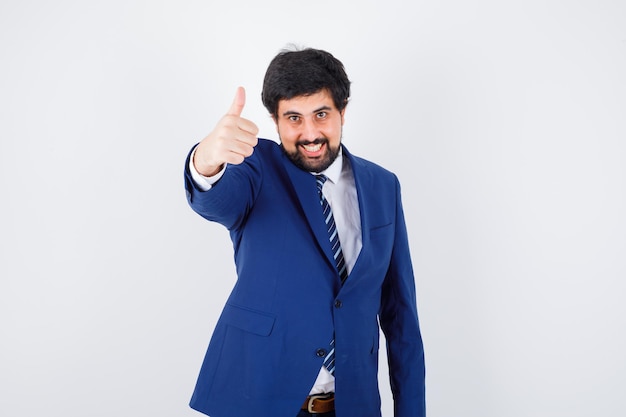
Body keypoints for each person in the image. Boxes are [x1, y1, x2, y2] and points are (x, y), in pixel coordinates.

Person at [183, 46, 425, 417]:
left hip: (352, 405)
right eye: (293, 118)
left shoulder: (382, 185)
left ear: (343, 111)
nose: (310, 133)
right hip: (259, 401)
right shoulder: (255, 168)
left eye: (321, 115)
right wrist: (206, 161)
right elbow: (217, 202)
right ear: (275, 120)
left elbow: (400, 314)